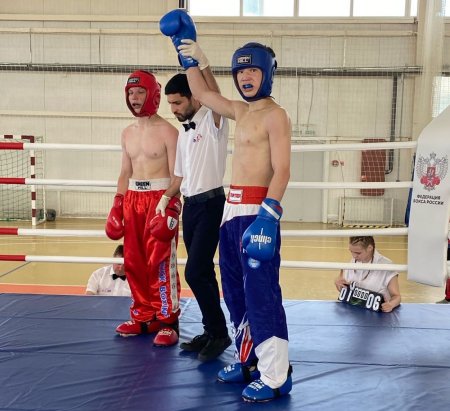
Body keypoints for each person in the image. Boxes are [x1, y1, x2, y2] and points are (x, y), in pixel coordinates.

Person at [160, 9, 292, 403]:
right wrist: (192, 56)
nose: (245, 77)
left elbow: (283, 170)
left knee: (261, 294)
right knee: (234, 293)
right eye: (240, 71)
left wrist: (269, 215)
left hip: (257, 212)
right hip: (232, 211)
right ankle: (250, 361)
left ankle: (276, 375)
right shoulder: (241, 110)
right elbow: (202, 95)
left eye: (252, 71)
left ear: (267, 73)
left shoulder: (276, 115)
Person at [105, 70, 182, 346]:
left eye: (140, 92)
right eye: (130, 92)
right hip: (133, 200)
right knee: (134, 261)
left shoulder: (169, 132)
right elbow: (125, 173)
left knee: (160, 261)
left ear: (153, 95)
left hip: (160, 199)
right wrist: (118, 203)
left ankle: (168, 321)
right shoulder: (127, 133)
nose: (134, 97)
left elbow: (178, 176)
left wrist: (171, 204)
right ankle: (144, 316)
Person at [162, 71, 232, 361]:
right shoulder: (182, 133)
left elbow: (215, 95)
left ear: (193, 97)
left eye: (178, 102)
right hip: (189, 207)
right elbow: (179, 177)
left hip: (211, 205)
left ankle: (220, 334)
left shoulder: (213, 119)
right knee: (202, 273)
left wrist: (201, 65)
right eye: (170, 104)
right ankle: (211, 330)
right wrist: (165, 198)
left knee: (193, 272)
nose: (174, 109)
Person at [334, 236, 401, 313]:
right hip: (354, 312)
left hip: (378, 314)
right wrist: (339, 284)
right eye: (351, 251)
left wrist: (391, 304)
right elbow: (350, 293)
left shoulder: (386, 265)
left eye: (358, 253)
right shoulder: (353, 261)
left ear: (369, 248)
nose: (354, 256)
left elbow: (397, 296)